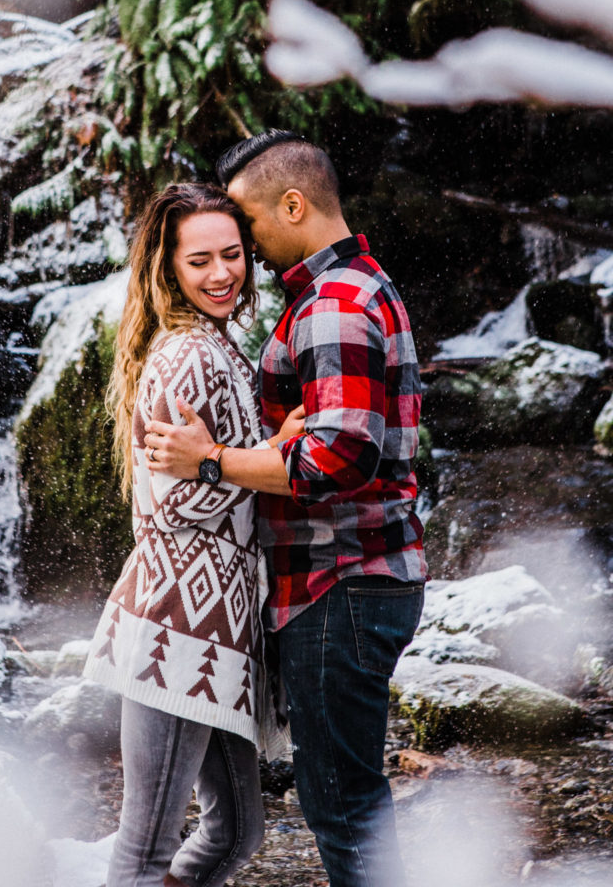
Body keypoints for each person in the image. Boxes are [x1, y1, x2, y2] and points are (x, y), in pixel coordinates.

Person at [144, 131, 428, 887]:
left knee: (341, 804)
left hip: (340, 583)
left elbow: (338, 456)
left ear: (293, 205)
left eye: (248, 226)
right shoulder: (358, 286)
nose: (244, 247)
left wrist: (211, 460)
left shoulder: (332, 303)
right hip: (357, 580)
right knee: (348, 797)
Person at [83, 182, 293, 887]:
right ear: (168, 265)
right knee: (143, 852)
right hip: (180, 623)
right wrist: (257, 459)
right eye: (199, 260)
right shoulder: (188, 357)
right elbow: (174, 507)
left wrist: (248, 454)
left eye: (231, 256)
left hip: (218, 622)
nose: (221, 273)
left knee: (235, 830)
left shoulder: (221, 346)